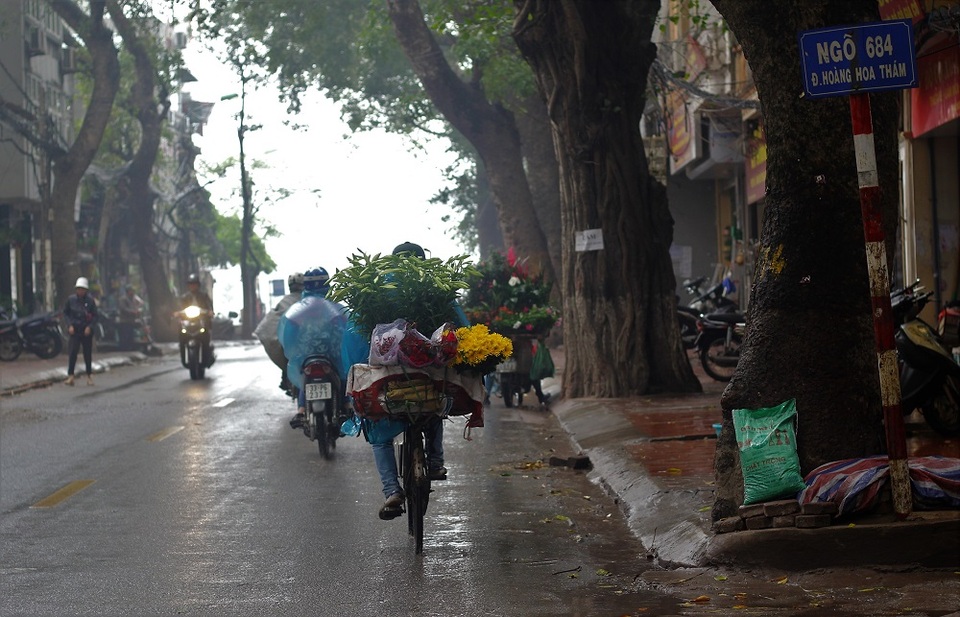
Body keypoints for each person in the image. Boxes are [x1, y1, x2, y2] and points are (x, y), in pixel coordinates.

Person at [374, 241, 468, 520]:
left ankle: (392, 490)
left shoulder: (379, 287)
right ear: (422, 260)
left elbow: (357, 332)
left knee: (379, 433)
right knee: (434, 406)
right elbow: (459, 326)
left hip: (387, 371)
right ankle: (436, 462)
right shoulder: (436, 285)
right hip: (428, 367)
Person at [253, 272, 304, 393]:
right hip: (301, 342)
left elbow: (270, 322)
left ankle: (286, 377)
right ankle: (286, 377)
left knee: (285, 354)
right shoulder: (309, 299)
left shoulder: (284, 302)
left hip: (295, 344)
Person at [63, 277, 98, 386]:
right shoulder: (71, 300)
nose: (80, 291)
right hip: (75, 330)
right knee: (73, 352)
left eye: (82, 289)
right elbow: (66, 313)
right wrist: (69, 325)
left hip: (86, 330)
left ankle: (89, 375)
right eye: (78, 289)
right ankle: (71, 376)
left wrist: (90, 327)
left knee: (87, 354)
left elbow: (95, 316)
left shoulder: (90, 301)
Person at [179, 273, 215, 367]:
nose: (192, 286)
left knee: (206, 336)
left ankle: (207, 357)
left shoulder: (204, 296)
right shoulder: (184, 297)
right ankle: (183, 358)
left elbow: (209, 307)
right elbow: (180, 309)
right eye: (191, 284)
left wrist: (210, 312)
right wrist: (177, 313)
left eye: (194, 284)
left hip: (201, 321)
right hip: (188, 322)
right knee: (181, 335)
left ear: (198, 285)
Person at [117, 284, 145, 351]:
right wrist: (132, 312)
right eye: (131, 291)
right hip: (125, 320)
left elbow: (141, 303)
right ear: (128, 291)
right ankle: (124, 349)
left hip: (133, 320)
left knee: (131, 335)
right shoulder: (123, 299)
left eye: (133, 291)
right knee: (126, 335)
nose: (132, 292)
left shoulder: (135, 298)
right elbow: (123, 308)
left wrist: (139, 309)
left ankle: (131, 348)